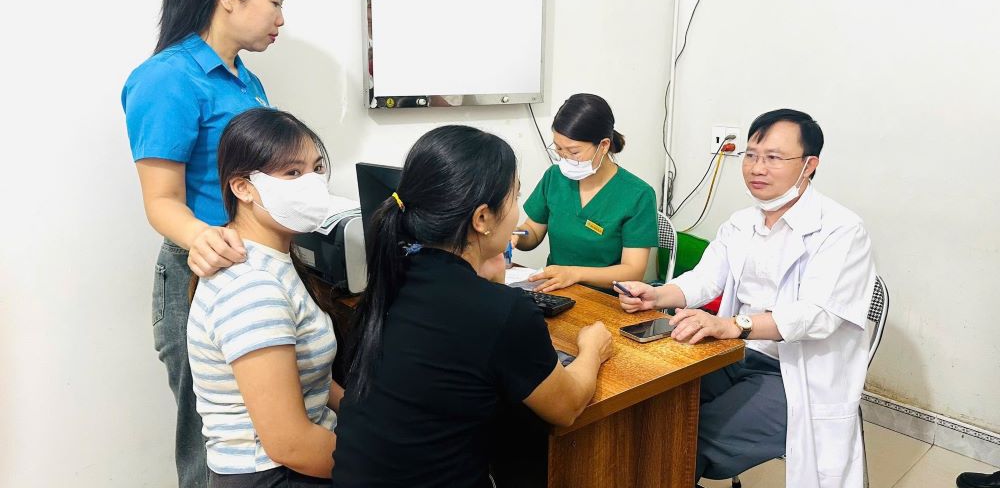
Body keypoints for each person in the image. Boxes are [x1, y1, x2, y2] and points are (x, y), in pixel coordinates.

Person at [331, 125, 613, 488]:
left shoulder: (391, 280)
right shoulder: (502, 312)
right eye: (514, 198)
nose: (517, 213)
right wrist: (592, 350)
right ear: (481, 219)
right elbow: (568, 407)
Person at [617, 109, 876, 488]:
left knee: (688, 439)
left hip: (798, 375)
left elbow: (818, 315)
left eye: (773, 158)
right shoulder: (742, 223)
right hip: (735, 354)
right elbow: (706, 280)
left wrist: (735, 325)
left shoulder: (841, 230)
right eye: (751, 155)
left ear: (809, 165)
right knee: (653, 408)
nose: (757, 167)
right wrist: (655, 295)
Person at [120, 0, 287, 488]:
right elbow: (161, 202)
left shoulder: (246, 82)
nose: (281, 19)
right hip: (199, 275)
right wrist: (203, 239)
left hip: (251, 268)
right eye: (275, 1)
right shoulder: (166, 79)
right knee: (210, 448)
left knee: (261, 438)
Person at [188, 108, 341, 486]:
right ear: (243, 187)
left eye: (315, 169)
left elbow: (312, 377)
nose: (311, 184)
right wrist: (392, 463)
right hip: (275, 475)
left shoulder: (275, 260)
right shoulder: (252, 286)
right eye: (292, 173)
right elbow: (291, 445)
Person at [514, 93, 657, 293]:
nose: (564, 158)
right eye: (558, 149)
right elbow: (533, 231)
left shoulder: (638, 195)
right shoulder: (555, 177)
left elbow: (632, 272)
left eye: (573, 152)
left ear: (604, 145)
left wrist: (574, 274)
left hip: (605, 300)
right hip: (554, 291)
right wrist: (515, 236)